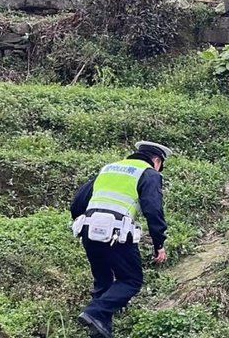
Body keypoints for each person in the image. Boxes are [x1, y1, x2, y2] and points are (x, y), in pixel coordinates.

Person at [70, 141, 172, 338]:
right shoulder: (149, 173)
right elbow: (153, 209)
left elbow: (78, 203)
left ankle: (100, 331)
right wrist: (159, 244)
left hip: (88, 230)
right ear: (157, 161)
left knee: (104, 281)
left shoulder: (108, 169)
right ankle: (94, 312)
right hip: (116, 233)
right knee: (131, 280)